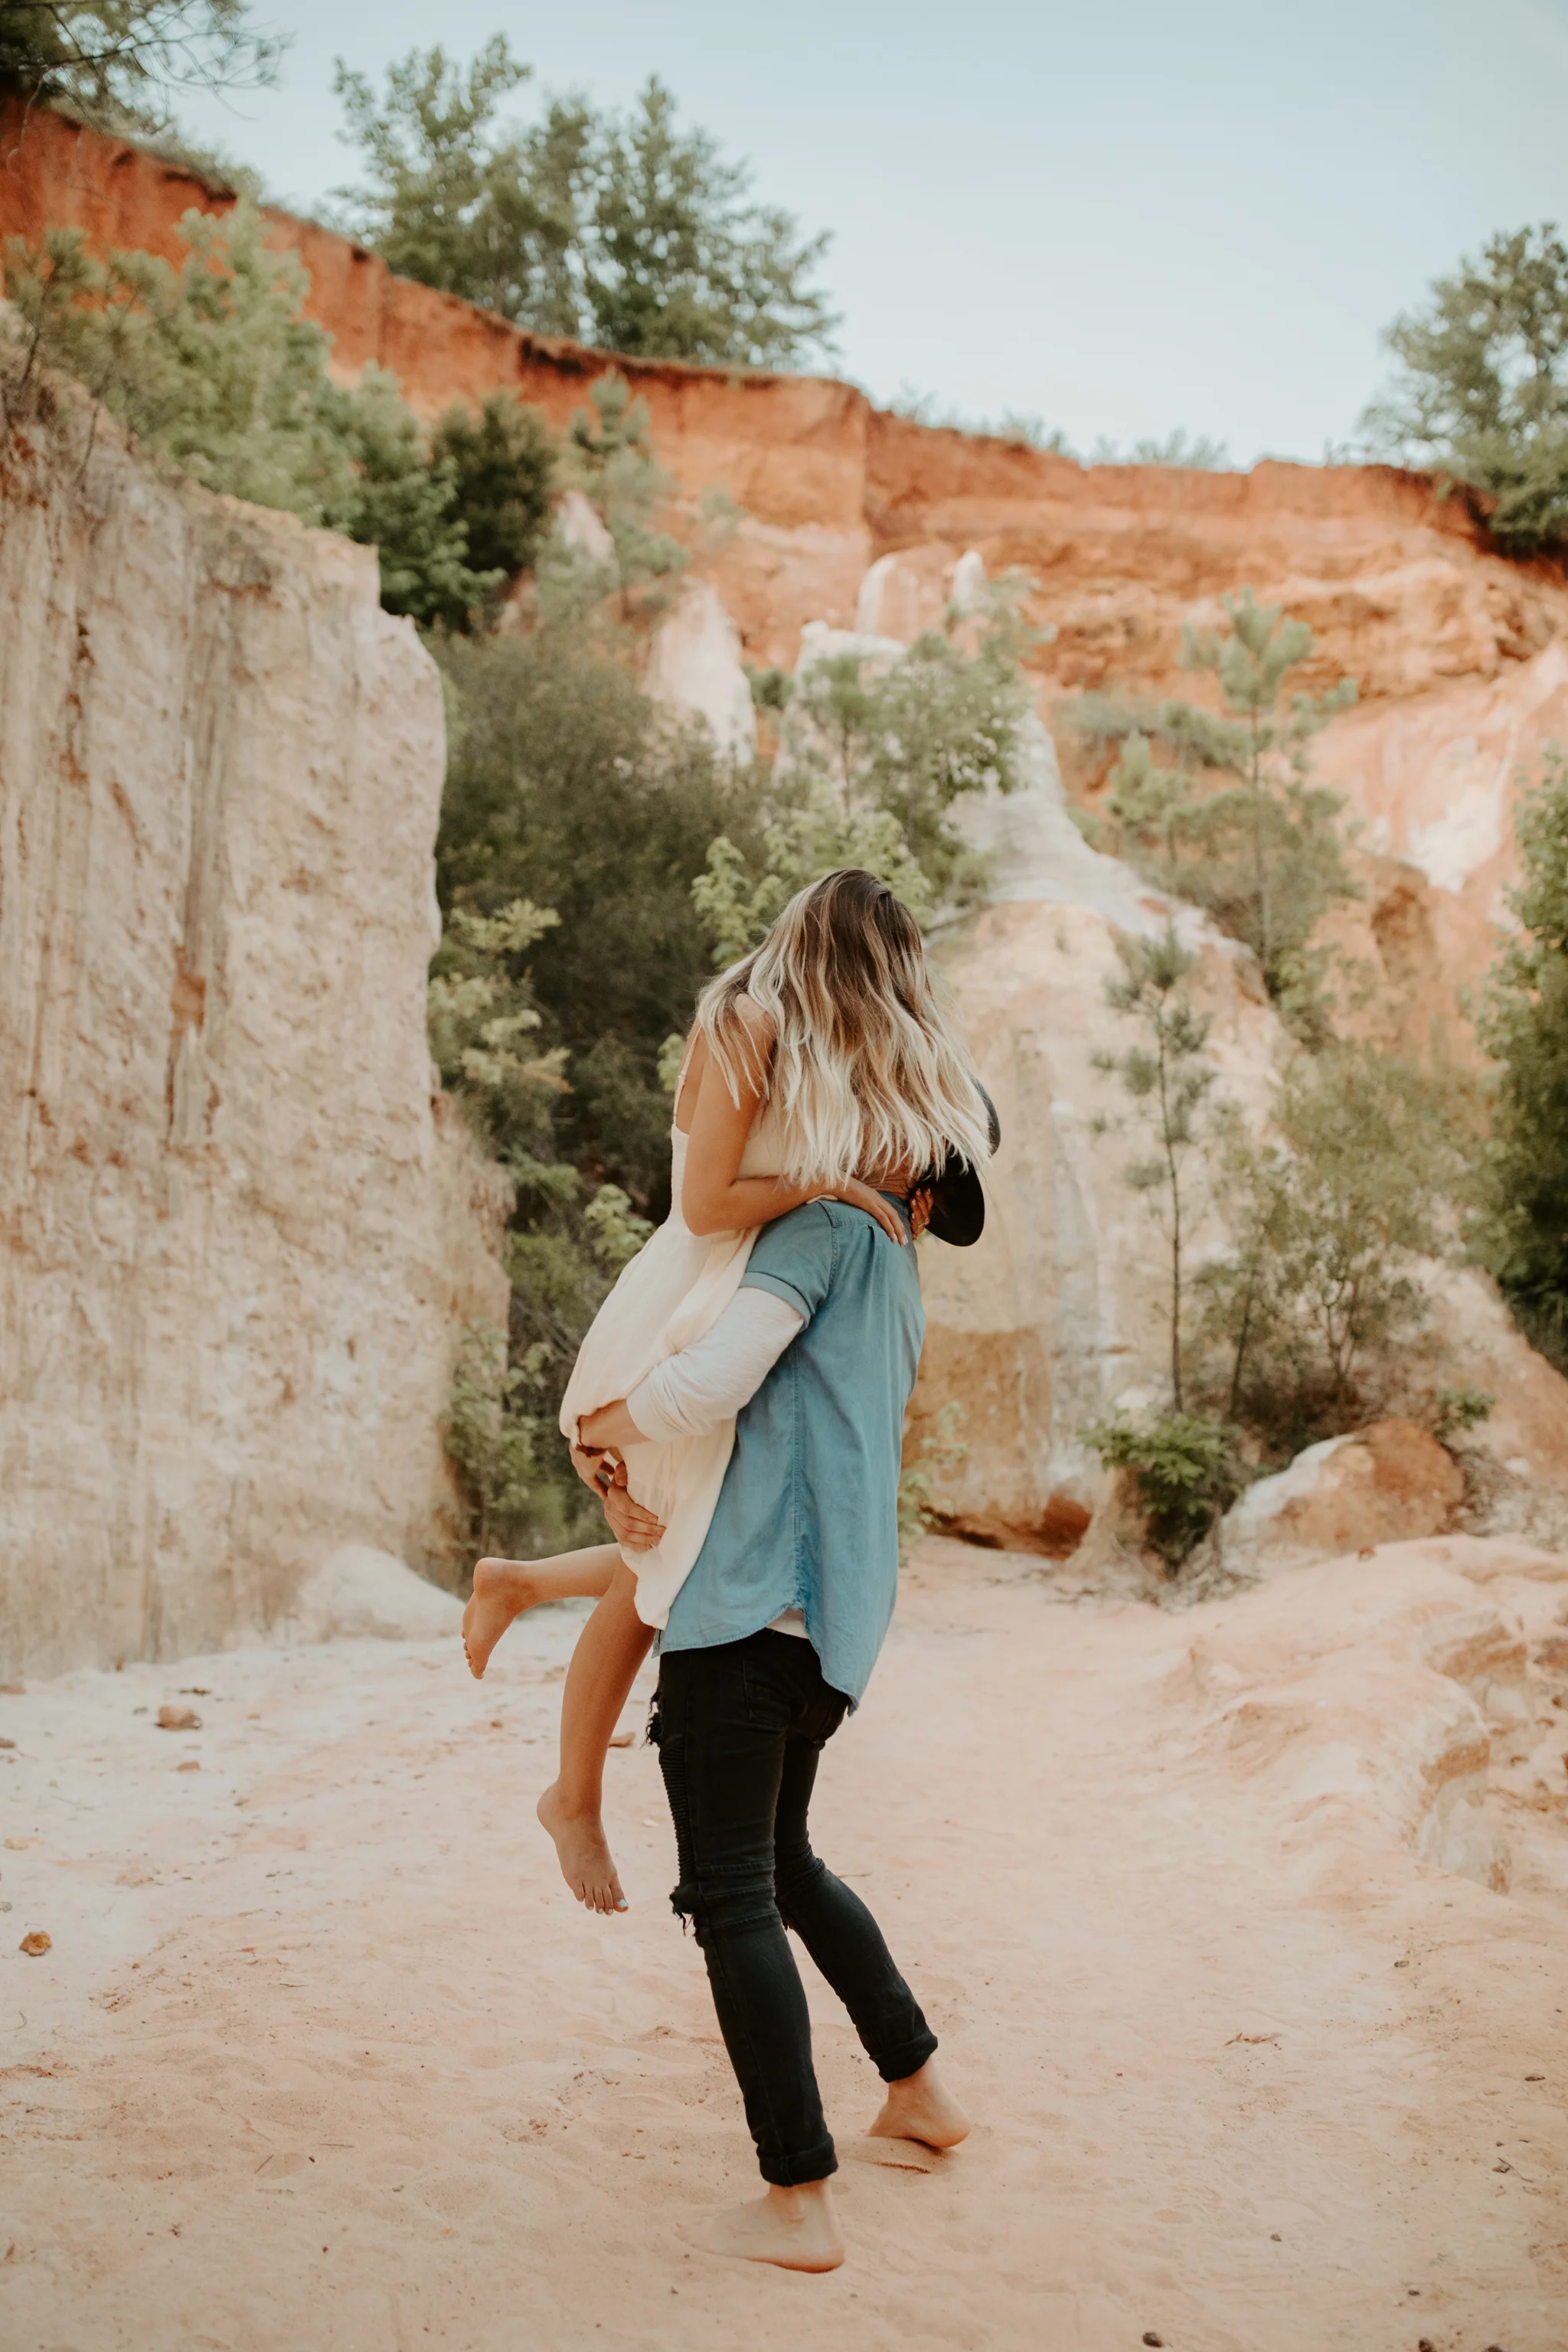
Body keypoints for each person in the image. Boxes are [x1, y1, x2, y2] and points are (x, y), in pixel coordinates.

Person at [552, 870, 995, 2272]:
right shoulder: (899, 1259)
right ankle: (920, 2092)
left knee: (731, 1894)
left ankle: (798, 2199)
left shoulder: (813, 1229)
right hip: (835, 1630)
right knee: (785, 1863)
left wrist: (600, 1420)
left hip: (749, 1614)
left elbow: (709, 1383)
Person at [460, 867, 986, 1919]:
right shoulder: (746, 1020)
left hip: (746, 1293)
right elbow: (703, 1205)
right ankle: (572, 1793)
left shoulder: (830, 1049)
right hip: (693, 1297)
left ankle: (519, 1592)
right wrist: (832, 1181)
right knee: (663, 1562)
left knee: (686, 1544)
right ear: (842, 959)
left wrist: (907, 1174)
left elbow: (963, 1155)